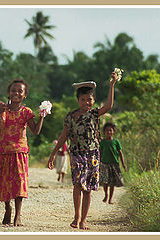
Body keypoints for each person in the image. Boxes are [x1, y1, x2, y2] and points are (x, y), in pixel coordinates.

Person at [48, 72, 119, 230]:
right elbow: (63, 136)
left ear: (93, 100)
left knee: (88, 189)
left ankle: (83, 220)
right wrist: (53, 154)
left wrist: (112, 85)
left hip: (93, 154)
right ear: (78, 100)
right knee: (77, 185)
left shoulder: (95, 113)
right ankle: (76, 216)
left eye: (90, 99)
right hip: (76, 153)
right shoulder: (71, 116)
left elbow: (109, 106)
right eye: (83, 99)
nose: (87, 102)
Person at [0, 79, 45, 227]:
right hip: (3, 151)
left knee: (19, 184)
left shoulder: (27, 112)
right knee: (5, 183)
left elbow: (36, 131)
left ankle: (18, 215)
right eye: (14, 90)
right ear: (9, 92)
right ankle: (7, 208)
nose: (16, 93)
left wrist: (42, 117)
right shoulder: (1, 109)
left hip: (20, 152)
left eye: (20, 91)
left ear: (25, 95)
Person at [100, 122, 127, 204]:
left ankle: (110, 199)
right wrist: (98, 164)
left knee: (112, 183)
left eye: (110, 130)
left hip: (114, 164)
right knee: (105, 181)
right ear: (104, 132)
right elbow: (100, 153)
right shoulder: (103, 142)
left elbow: (120, 153)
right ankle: (106, 194)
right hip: (104, 164)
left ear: (113, 131)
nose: (109, 132)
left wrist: (123, 164)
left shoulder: (116, 142)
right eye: (107, 131)